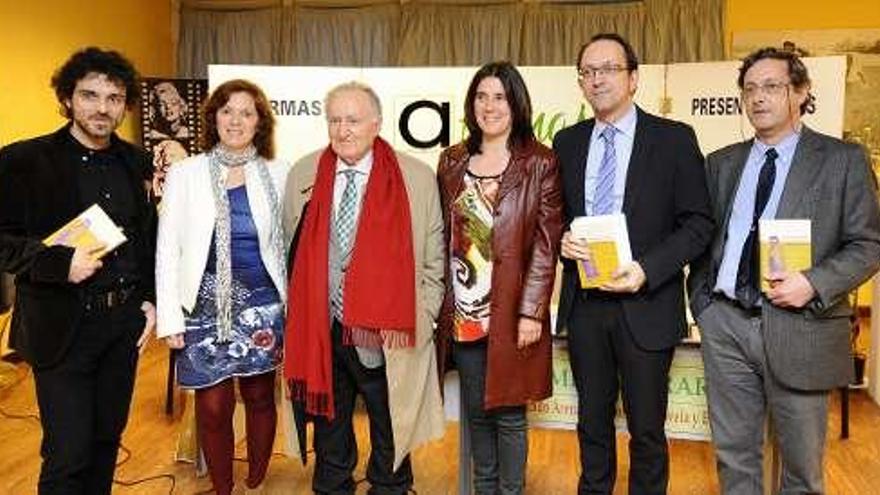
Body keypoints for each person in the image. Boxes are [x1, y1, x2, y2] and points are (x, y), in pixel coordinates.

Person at [688, 47, 880, 494]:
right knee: (734, 457)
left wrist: (813, 283)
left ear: (801, 92)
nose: (758, 98)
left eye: (772, 86)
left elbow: (869, 245)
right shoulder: (721, 163)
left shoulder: (841, 160)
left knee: (801, 471)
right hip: (726, 326)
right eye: (750, 89)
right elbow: (704, 239)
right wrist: (704, 305)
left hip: (802, 327)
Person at [553, 33, 714, 494]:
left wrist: (647, 268)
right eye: (587, 71)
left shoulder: (673, 139)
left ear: (634, 78)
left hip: (647, 304)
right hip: (585, 306)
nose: (596, 79)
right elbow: (558, 217)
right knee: (592, 427)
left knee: (646, 432)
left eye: (608, 69)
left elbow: (698, 224)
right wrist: (563, 238)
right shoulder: (567, 142)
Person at [0, 46, 157, 495]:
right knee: (68, 453)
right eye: (89, 95)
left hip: (122, 325)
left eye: (113, 97)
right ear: (67, 98)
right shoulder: (22, 161)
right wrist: (57, 263)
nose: (102, 108)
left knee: (106, 441)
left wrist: (149, 299)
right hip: (61, 324)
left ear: (125, 104)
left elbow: (144, 238)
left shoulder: (135, 162)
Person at [283, 81, 445, 495]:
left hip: (387, 331)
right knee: (329, 421)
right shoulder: (304, 172)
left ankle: (390, 486)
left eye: (353, 119)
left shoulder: (416, 177)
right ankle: (333, 484)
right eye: (334, 120)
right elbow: (290, 250)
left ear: (376, 123)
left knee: (389, 416)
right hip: (323, 328)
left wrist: (421, 316)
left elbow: (433, 261)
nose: (343, 130)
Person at [155, 79, 290, 495]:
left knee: (260, 395)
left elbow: (290, 242)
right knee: (212, 407)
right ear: (214, 117)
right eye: (227, 110)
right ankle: (222, 486)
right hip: (200, 306)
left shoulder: (278, 173)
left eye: (246, 112)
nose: (236, 120)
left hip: (264, 304)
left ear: (259, 122)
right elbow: (168, 249)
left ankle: (256, 478)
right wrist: (169, 318)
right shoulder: (185, 173)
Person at [435, 61, 561, 494]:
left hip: (511, 311)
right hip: (464, 313)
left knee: (508, 416)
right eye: (481, 96)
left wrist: (531, 312)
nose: (489, 106)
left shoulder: (539, 162)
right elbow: (442, 235)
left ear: (517, 103)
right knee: (477, 413)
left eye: (500, 97)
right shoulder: (452, 160)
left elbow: (547, 244)